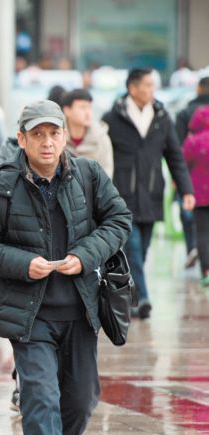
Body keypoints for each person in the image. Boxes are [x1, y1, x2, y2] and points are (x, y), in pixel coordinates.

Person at [0, 100, 131, 435]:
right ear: (21, 139)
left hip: (80, 309)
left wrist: (86, 255)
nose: (47, 142)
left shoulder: (88, 174)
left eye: (53, 133)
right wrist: (25, 264)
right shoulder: (2, 185)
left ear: (64, 136)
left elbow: (118, 219)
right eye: (37, 134)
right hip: (30, 314)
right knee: (41, 396)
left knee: (80, 399)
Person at [102, 68, 196, 319]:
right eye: (147, 85)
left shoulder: (162, 118)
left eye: (153, 85)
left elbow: (175, 157)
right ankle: (141, 298)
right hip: (121, 198)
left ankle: (127, 296)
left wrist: (186, 189)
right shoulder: (112, 118)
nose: (152, 90)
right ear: (132, 88)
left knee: (141, 252)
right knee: (131, 248)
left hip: (152, 195)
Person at [175, 76, 209, 268]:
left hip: (195, 185)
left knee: (194, 223)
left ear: (198, 89)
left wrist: (178, 178)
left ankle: (193, 249)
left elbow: (178, 151)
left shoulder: (185, 113)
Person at [182, 106, 209, 287]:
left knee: (202, 233)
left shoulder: (192, 142)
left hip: (199, 194)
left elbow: (182, 164)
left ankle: (206, 271)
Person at [60, 89, 114, 176]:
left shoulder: (101, 137)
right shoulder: (57, 135)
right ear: (67, 110)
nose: (88, 113)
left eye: (89, 107)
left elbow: (107, 173)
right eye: (82, 107)